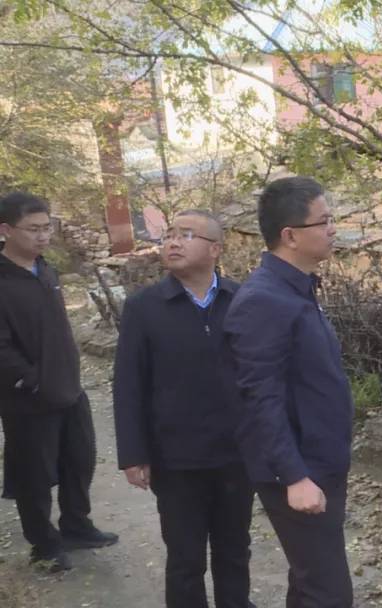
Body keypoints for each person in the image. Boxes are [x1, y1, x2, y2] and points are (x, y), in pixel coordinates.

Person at [113, 210, 255, 608]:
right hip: (176, 458)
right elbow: (128, 383)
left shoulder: (240, 298)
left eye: (186, 234)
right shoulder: (145, 307)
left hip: (235, 453)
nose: (172, 242)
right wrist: (134, 453)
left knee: (234, 548)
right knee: (185, 558)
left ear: (215, 249)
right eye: (169, 234)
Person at [224, 177, 353, 608]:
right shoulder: (264, 300)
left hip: (321, 460)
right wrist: (294, 477)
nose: (333, 228)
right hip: (298, 468)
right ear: (290, 236)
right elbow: (260, 399)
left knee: (310, 583)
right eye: (324, 221)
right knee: (329, 592)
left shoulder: (296, 288)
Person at [0, 192, 118, 572]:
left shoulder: (45, 270)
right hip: (27, 399)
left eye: (46, 227)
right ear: (5, 230)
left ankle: (76, 526)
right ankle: (44, 545)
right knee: (34, 476)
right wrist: (30, 381)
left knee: (78, 460)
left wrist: (65, 375)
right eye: (33, 229)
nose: (42, 236)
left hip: (68, 387)